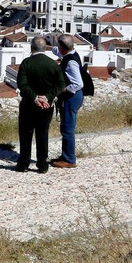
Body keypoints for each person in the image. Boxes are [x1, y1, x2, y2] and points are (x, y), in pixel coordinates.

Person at [15, 35, 64, 174]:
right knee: (42, 134)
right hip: (46, 106)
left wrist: (35, 97)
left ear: (32, 48)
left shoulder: (26, 63)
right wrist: (47, 97)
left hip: (28, 105)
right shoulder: (53, 64)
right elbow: (60, 84)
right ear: (45, 48)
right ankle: (42, 164)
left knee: (26, 134)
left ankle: (23, 163)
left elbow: (22, 84)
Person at [53, 35, 91, 170]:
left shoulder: (70, 62)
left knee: (68, 128)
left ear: (62, 48)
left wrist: (64, 90)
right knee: (66, 126)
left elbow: (78, 83)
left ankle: (69, 159)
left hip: (72, 97)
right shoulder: (73, 54)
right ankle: (65, 155)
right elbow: (56, 51)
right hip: (75, 96)